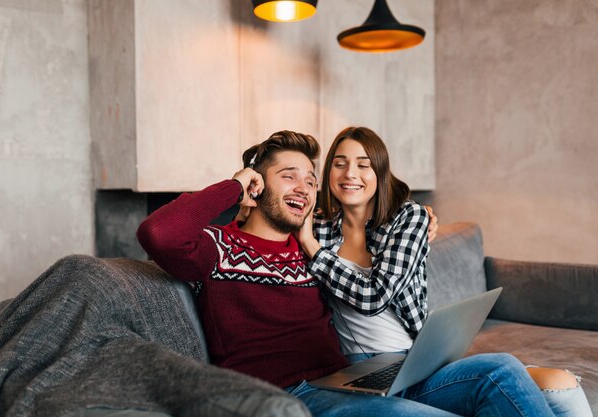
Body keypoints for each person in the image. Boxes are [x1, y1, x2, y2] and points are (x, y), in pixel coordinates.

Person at [137, 130, 557, 417]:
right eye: (288, 177)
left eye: (309, 179)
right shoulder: (219, 247)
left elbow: (366, 231)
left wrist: (421, 217)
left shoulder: (310, 244)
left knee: (499, 369)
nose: (304, 187)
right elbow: (157, 232)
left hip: (354, 380)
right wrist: (232, 187)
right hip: (296, 394)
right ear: (257, 186)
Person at [294, 126, 592, 417]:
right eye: (339, 164)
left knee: (502, 367)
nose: (350, 175)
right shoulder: (315, 226)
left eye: (363, 165)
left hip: (413, 360)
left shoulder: (408, 218)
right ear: (327, 173)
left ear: (380, 173)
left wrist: (314, 251)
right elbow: (262, 215)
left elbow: (375, 297)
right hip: (356, 369)